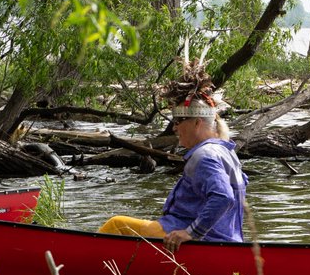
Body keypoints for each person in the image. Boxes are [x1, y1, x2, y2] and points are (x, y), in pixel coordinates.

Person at [98, 85, 247, 251]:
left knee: (116, 225)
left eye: (178, 122)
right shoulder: (226, 151)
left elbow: (223, 197)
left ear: (197, 123)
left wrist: (191, 233)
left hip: (204, 241)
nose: (174, 128)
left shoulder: (205, 155)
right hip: (227, 240)